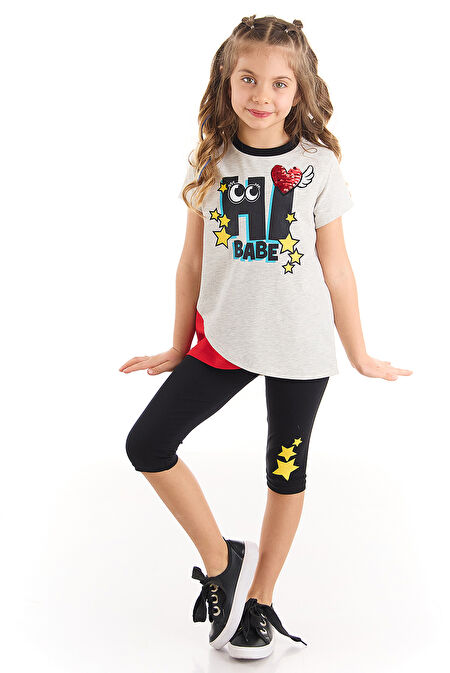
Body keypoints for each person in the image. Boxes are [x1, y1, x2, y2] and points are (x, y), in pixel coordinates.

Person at [119, 14, 413, 660]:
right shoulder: (210, 163)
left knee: (284, 469)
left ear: (299, 90)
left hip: (299, 345)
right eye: (247, 78)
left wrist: (359, 352)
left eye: (279, 83)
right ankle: (221, 560)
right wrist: (176, 346)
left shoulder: (317, 168)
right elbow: (191, 263)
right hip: (223, 340)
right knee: (148, 443)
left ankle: (260, 601)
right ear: (225, 81)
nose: (261, 95)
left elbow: (337, 268)